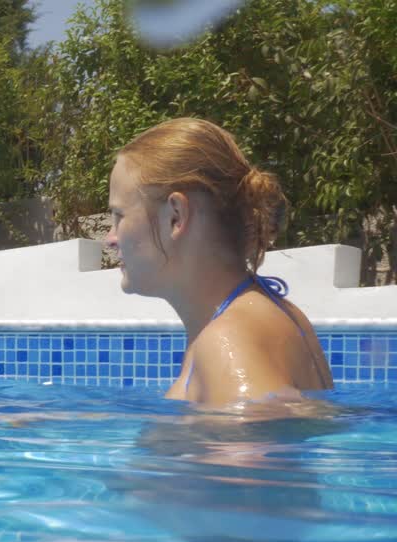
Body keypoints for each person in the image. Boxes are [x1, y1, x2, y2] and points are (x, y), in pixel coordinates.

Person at [106, 118, 332, 405]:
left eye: (119, 216)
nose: (110, 239)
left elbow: (259, 426)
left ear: (175, 216)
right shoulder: (276, 313)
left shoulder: (227, 341)